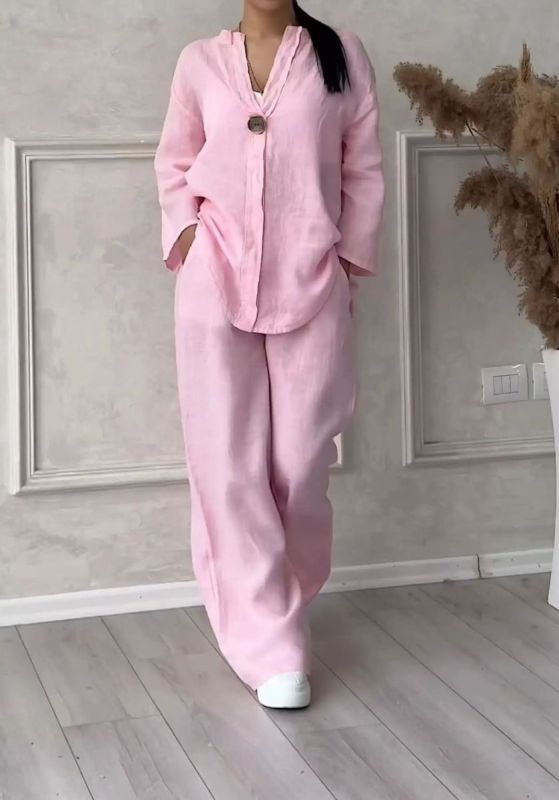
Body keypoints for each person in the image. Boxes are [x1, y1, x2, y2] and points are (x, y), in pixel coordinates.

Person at [153, 0, 384, 709]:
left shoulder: (341, 56)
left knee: (299, 462)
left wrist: (346, 259)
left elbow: (363, 168)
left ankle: (280, 601)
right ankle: (272, 645)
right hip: (213, 281)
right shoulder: (199, 62)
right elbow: (174, 162)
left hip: (311, 280)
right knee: (226, 465)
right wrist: (187, 235)